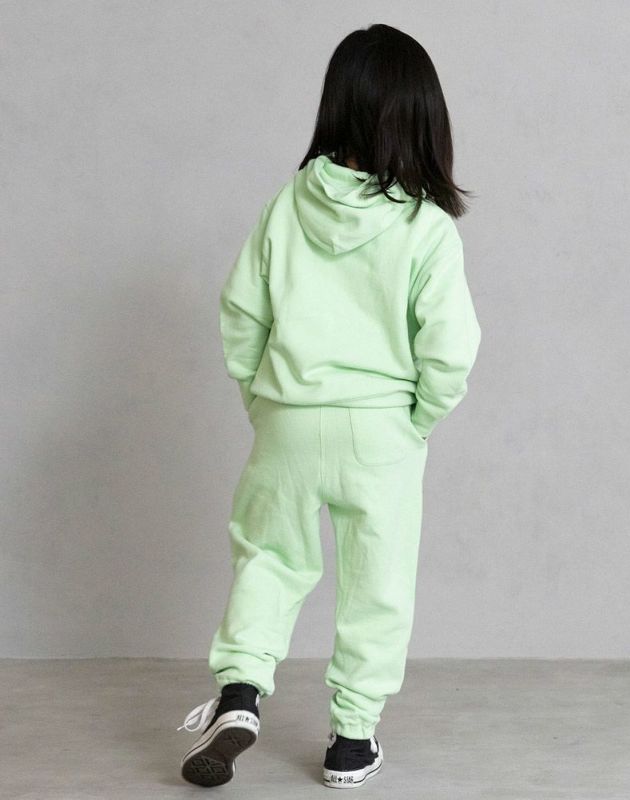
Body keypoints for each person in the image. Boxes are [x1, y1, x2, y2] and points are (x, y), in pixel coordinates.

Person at [176, 22, 481, 790]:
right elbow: (450, 348)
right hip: (381, 429)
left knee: (269, 558)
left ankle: (241, 691)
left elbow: (241, 313)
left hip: (287, 419)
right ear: (424, 118)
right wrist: (418, 419)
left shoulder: (285, 206)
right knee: (377, 582)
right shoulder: (425, 225)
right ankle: (351, 739)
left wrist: (264, 401)